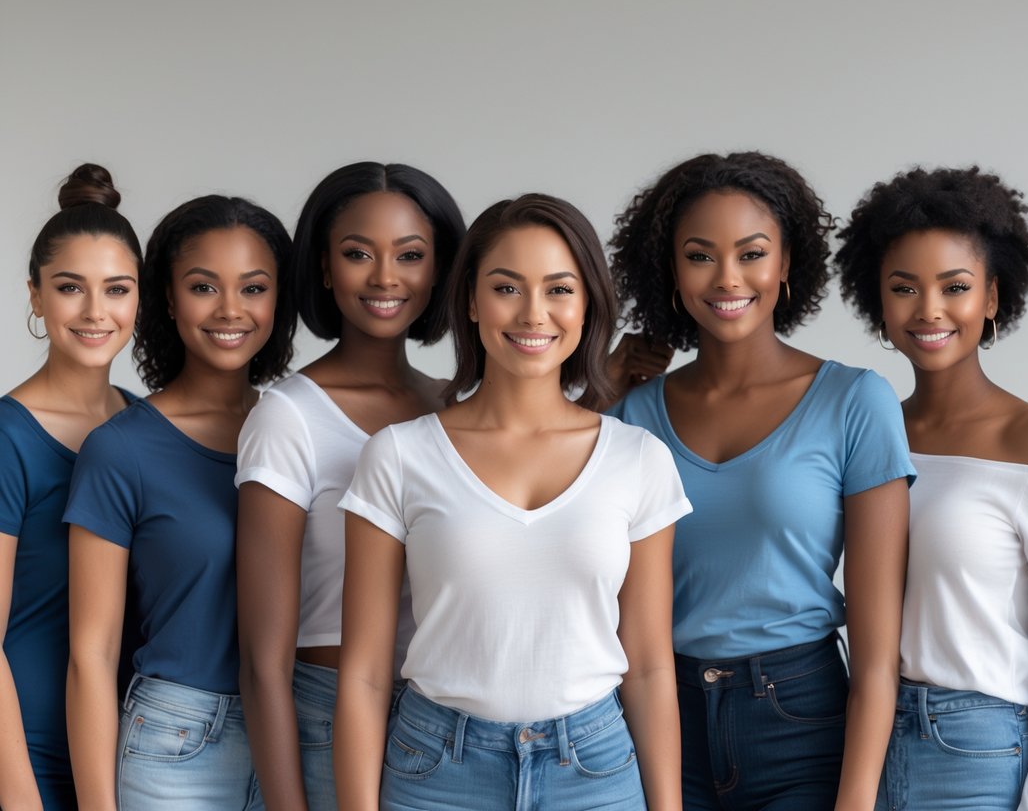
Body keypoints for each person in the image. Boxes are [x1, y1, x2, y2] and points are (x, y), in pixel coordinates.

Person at [335, 194, 689, 810]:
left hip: (595, 772)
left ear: (586, 306)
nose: (533, 314)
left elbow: (652, 665)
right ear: (471, 300)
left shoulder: (639, 459)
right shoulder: (398, 456)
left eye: (558, 289)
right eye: (507, 288)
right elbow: (365, 674)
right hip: (437, 771)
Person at [608, 151, 914, 810]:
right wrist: (600, 390)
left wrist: (855, 802)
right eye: (699, 255)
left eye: (750, 253)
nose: (726, 278)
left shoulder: (854, 402)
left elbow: (876, 646)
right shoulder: (631, 416)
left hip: (801, 719)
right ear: (668, 268)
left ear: (786, 264)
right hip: (660, 717)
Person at [834, 165, 1028, 809]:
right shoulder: (872, 433)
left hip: (976, 747)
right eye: (904, 287)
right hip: (860, 733)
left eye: (954, 286)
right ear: (878, 300)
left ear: (991, 298)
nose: (928, 309)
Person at [235, 162, 464, 809]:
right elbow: (261, 661)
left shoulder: (453, 408)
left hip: (439, 726)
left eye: (411, 255)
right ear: (325, 267)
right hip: (321, 718)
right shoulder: (288, 416)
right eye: (358, 253)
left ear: (441, 269)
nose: (386, 277)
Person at [64, 194, 295, 810]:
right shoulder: (120, 450)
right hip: (179, 740)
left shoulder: (302, 431)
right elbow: (91, 654)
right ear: (166, 297)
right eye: (203, 286)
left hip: (302, 728)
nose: (230, 310)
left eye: (253, 288)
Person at [1, 164, 141, 810]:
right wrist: (21, 796)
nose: (94, 312)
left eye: (116, 290)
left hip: (131, 757)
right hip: (24, 760)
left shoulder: (145, 427)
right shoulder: (9, 436)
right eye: (68, 288)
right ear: (34, 296)